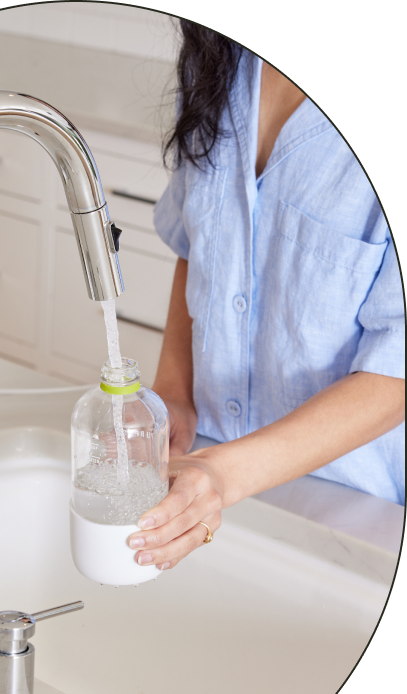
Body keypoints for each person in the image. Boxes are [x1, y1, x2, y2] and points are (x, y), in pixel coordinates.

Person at [128, 22, 405, 571]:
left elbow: (396, 372)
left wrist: (224, 472)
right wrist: (174, 393)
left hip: (350, 512)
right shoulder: (215, 57)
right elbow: (195, 245)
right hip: (203, 482)